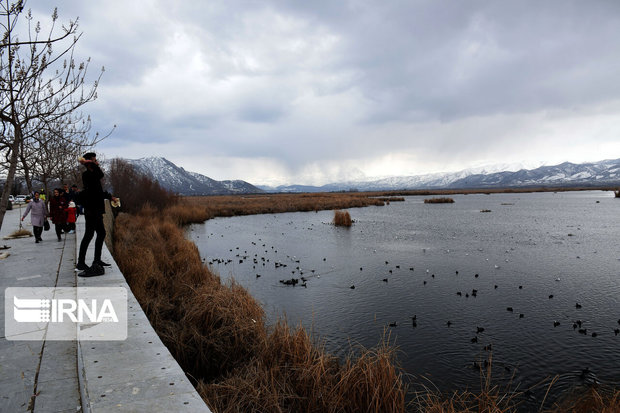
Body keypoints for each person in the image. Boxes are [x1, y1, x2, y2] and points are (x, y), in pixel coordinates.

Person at [77, 152, 118, 271]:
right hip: (91, 210)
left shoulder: (93, 175)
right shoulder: (87, 175)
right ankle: (80, 263)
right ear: (89, 163)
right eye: (95, 161)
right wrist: (90, 163)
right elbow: (100, 174)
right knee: (88, 235)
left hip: (97, 210)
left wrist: (110, 197)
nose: (97, 162)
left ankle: (97, 259)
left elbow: (99, 192)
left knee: (101, 233)